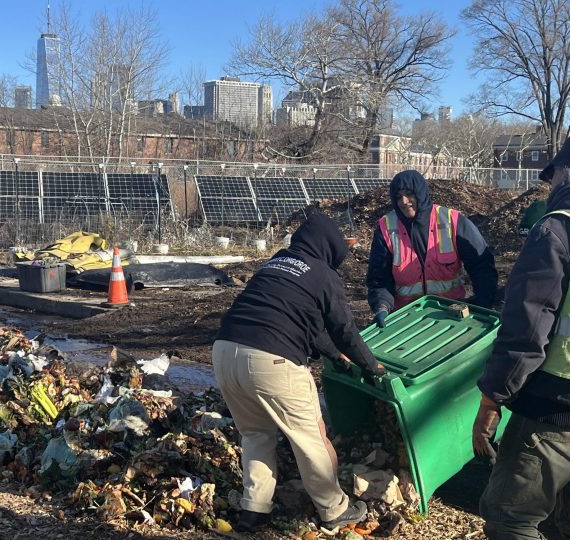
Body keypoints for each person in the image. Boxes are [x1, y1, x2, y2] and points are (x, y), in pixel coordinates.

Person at [211, 210, 384, 533]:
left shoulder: (277, 262)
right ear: (329, 250)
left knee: (256, 435)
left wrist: (336, 357)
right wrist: (370, 366)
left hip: (225, 351)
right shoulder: (323, 274)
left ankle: (254, 510)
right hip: (272, 361)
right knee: (308, 439)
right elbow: (343, 328)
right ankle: (335, 509)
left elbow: (309, 326)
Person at [474, 138, 570, 539]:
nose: (549, 188)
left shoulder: (557, 229)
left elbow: (528, 326)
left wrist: (493, 397)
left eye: (554, 177)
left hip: (552, 408)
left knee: (510, 517)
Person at [366, 170, 498, 327]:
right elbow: (378, 278)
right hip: (405, 318)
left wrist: (482, 305)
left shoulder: (452, 221)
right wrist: (382, 306)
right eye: (398, 197)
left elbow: (482, 267)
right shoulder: (386, 228)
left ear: (421, 194)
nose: (404, 201)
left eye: (409, 194)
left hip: (452, 315)